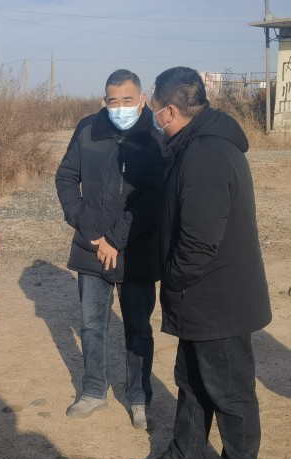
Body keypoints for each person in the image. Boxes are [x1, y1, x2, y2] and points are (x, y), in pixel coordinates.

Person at [133, 67, 272, 459]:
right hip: (200, 296)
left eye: (156, 110)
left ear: (171, 110)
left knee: (230, 393)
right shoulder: (194, 145)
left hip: (217, 300)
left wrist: (173, 279)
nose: (154, 118)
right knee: (192, 381)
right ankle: (186, 457)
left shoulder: (206, 155)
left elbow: (199, 240)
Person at [55, 69, 164, 429]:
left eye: (127, 100)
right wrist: (87, 227)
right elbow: (66, 176)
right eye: (113, 101)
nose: (120, 107)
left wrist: (115, 239)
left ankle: (139, 397)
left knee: (138, 328)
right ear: (104, 100)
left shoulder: (155, 137)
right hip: (91, 246)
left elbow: (154, 196)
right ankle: (92, 390)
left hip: (136, 249)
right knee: (91, 324)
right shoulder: (88, 128)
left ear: (142, 99)